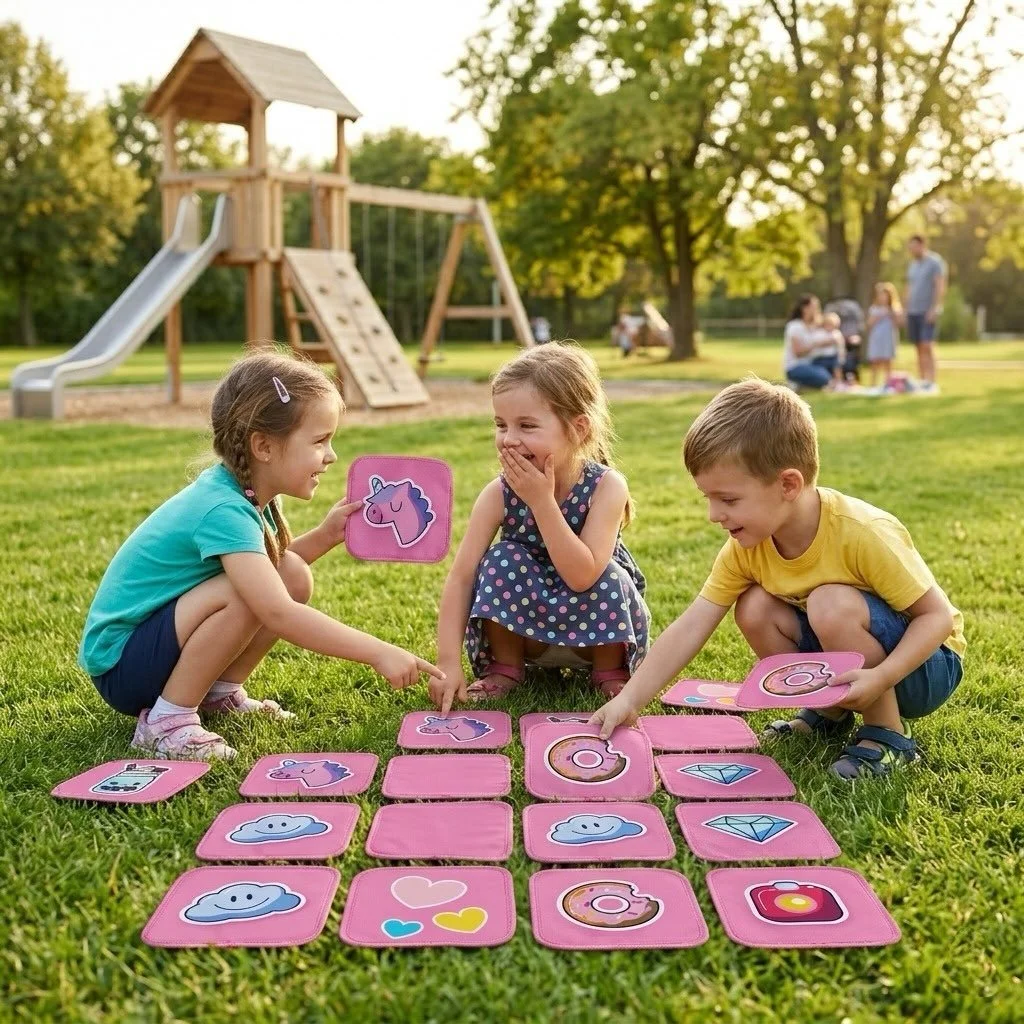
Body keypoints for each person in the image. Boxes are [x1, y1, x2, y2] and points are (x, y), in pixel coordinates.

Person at [590, 378, 965, 780]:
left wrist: (882, 677)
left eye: (728, 500)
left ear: (788, 484)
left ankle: (889, 734)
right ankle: (828, 711)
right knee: (753, 607)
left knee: (829, 603)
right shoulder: (745, 548)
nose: (714, 515)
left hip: (922, 668)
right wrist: (630, 699)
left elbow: (937, 618)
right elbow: (693, 624)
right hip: (854, 661)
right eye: (708, 498)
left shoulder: (861, 532)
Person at [78, 351, 443, 760]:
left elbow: (274, 572)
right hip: (123, 667)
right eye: (320, 440)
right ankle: (167, 723)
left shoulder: (249, 494)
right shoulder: (224, 509)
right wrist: (378, 651)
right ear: (264, 446)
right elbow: (276, 611)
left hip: (153, 651)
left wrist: (326, 536)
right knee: (248, 594)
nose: (331, 455)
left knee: (291, 572)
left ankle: (216, 694)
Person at [431, 342, 651, 713]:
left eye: (527, 425)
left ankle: (610, 672)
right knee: (502, 558)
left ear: (578, 429)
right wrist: (447, 663)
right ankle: (505, 668)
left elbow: (582, 576)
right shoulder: (498, 493)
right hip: (527, 635)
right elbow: (462, 577)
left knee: (607, 573)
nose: (509, 438)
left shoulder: (607, 487)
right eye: (501, 425)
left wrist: (541, 502)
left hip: (594, 638)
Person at [903, 235, 947, 392]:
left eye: (914, 246)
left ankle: (932, 381)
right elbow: (909, 287)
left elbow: (940, 285)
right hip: (913, 311)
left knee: (927, 344)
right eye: (910, 247)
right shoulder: (913, 265)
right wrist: (905, 309)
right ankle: (922, 381)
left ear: (922, 245)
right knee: (918, 347)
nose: (911, 250)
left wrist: (935, 308)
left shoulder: (935, 262)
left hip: (927, 310)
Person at [782, 295, 839, 390]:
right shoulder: (795, 326)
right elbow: (798, 352)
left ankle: (803, 384)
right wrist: (818, 344)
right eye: (814, 307)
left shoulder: (815, 326)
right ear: (805, 309)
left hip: (813, 363)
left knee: (837, 367)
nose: (817, 310)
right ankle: (796, 383)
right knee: (824, 378)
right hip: (795, 367)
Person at [866, 282, 901, 390]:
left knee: (888, 360)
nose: (882, 298)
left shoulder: (894, 309)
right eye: (880, 295)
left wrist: (893, 314)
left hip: (888, 337)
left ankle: (888, 384)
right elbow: (869, 323)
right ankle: (873, 384)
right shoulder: (874, 309)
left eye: (885, 295)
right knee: (875, 361)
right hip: (877, 337)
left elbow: (898, 323)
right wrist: (880, 316)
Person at [824, 296, 865, 381]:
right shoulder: (827, 333)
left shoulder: (837, 333)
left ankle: (847, 378)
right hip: (832, 353)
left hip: (845, 348)